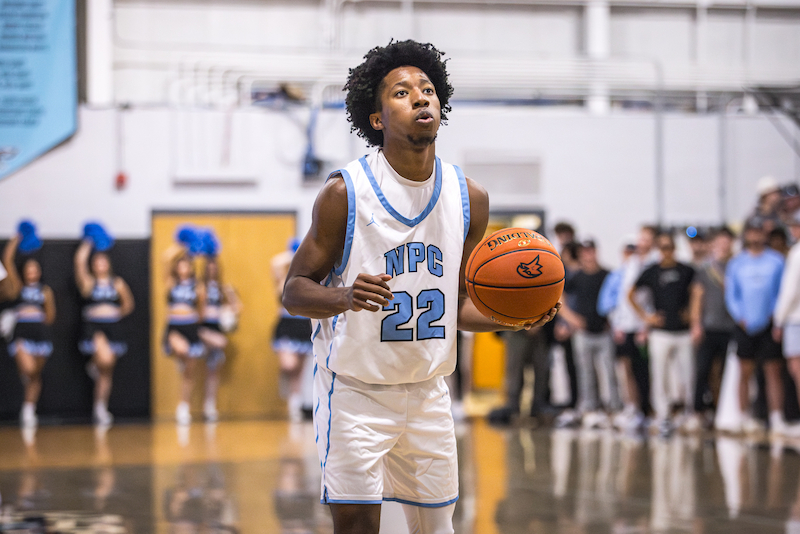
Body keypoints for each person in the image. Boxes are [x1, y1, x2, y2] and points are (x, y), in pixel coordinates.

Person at [281, 40, 559, 534]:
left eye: (428, 90)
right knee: (357, 527)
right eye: (402, 92)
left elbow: (459, 306)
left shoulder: (469, 197)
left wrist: (511, 316)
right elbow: (294, 291)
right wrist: (344, 297)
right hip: (355, 392)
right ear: (377, 119)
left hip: (429, 391)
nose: (420, 98)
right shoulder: (344, 193)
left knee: (437, 529)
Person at [628, 232, 700, 434]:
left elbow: (697, 292)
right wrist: (646, 317)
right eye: (662, 248)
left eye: (669, 247)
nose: (666, 251)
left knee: (688, 374)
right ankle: (663, 414)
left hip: (682, 331)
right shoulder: (651, 271)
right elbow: (630, 293)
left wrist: (693, 316)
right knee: (659, 375)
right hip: (660, 331)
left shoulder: (686, 270)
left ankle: (688, 410)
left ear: (674, 248)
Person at [725, 219, 788, 434]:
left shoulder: (776, 261)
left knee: (773, 371)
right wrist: (740, 316)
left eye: (759, 232)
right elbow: (731, 294)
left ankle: (776, 417)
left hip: (769, 323)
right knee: (745, 371)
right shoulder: (737, 263)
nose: (755, 236)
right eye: (751, 232)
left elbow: (782, 292)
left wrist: (775, 315)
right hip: (745, 324)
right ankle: (743, 416)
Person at [556, 240, 620, 428]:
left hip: (603, 331)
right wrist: (570, 319)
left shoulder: (607, 275)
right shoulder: (576, 277)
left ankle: (614, 408)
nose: (588, 256)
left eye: (591, 251)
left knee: (609, 371)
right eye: (585, 252)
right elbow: (559, 296)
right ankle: (590, 408)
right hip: (583, 332)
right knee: (586, 372)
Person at [74, 239, 135, 426]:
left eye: (103, 261)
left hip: (113, 328)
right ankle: (93, 363)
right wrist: (88, 241)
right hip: (94, 328)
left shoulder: (117, 283)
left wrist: (116, 312)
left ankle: (100, 407)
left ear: (109, 264)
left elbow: (128, 304)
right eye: (96, 262)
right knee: (106, 360)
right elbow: (78, 262)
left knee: (106, 371)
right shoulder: (88, 283)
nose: (100, 265)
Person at [607, 226, 658, 430]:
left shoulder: (653, 265)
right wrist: (618, 324)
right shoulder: (630, 264)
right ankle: (632, 406)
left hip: (643, 326)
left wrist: (646, 324)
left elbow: (650, 298)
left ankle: (648, 409)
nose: (642, 243)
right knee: (626, 367)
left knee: (644, 370)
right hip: (626, 325)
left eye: (646, 239)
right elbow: (622, 297)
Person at [3, 236, 56, 427]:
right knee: (28, 369)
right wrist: (16, 239)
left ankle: (28, 409)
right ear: (24, 270)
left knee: (35, 375)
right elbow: (7, 261)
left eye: (35, 268)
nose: (32, 271)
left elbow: (50, 316)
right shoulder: (18, 287)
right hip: (21, 333)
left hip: (40, 334)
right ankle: (24, 380)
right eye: (29, 268)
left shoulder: (45, 291)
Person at [689, 227, 735, 421]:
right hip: (709, 325)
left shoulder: (736, 266)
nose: (723, 246)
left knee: (726, 372)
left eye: (727, 242)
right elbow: (697, 297)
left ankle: (721, 410)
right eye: (720, 242)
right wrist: (696, 324)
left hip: (730, 326)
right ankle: (698, 410)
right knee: (703, 369)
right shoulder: (706, 269)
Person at [163, 243, 207, 425]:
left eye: (187, 264)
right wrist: (184, 245)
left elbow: (201, 312)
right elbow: (166, 258)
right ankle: (180, 358)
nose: (183, 268)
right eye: (180, 264)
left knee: (189, 373)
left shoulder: (198, 287)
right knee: (182, 350)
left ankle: (184, 406)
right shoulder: (171, 283)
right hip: (174, 327)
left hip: (190, 327)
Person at [272, 239, 314, 423]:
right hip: (286, 325)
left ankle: (294, 404)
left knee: (299, 370)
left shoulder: (309, 278)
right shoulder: (282, 278)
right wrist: (297, 253)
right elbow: (275, 262)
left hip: (304, 325)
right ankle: (284, 378)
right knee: (289, 365)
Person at [198, 257, 240, 422]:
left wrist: (230, 296)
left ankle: (209, 405)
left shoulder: (222, 288)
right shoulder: (200, 287)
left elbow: (237, 308)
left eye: (214, 267)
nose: (212, 270)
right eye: (209, 268)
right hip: (202, 327)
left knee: (212, 369)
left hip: (216, 327)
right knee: (200, 367)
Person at [773, 213, 800, 428]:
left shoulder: (796, 253)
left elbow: (790, 291)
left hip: (795, 319)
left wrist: (778, 319)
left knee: (797, 371)